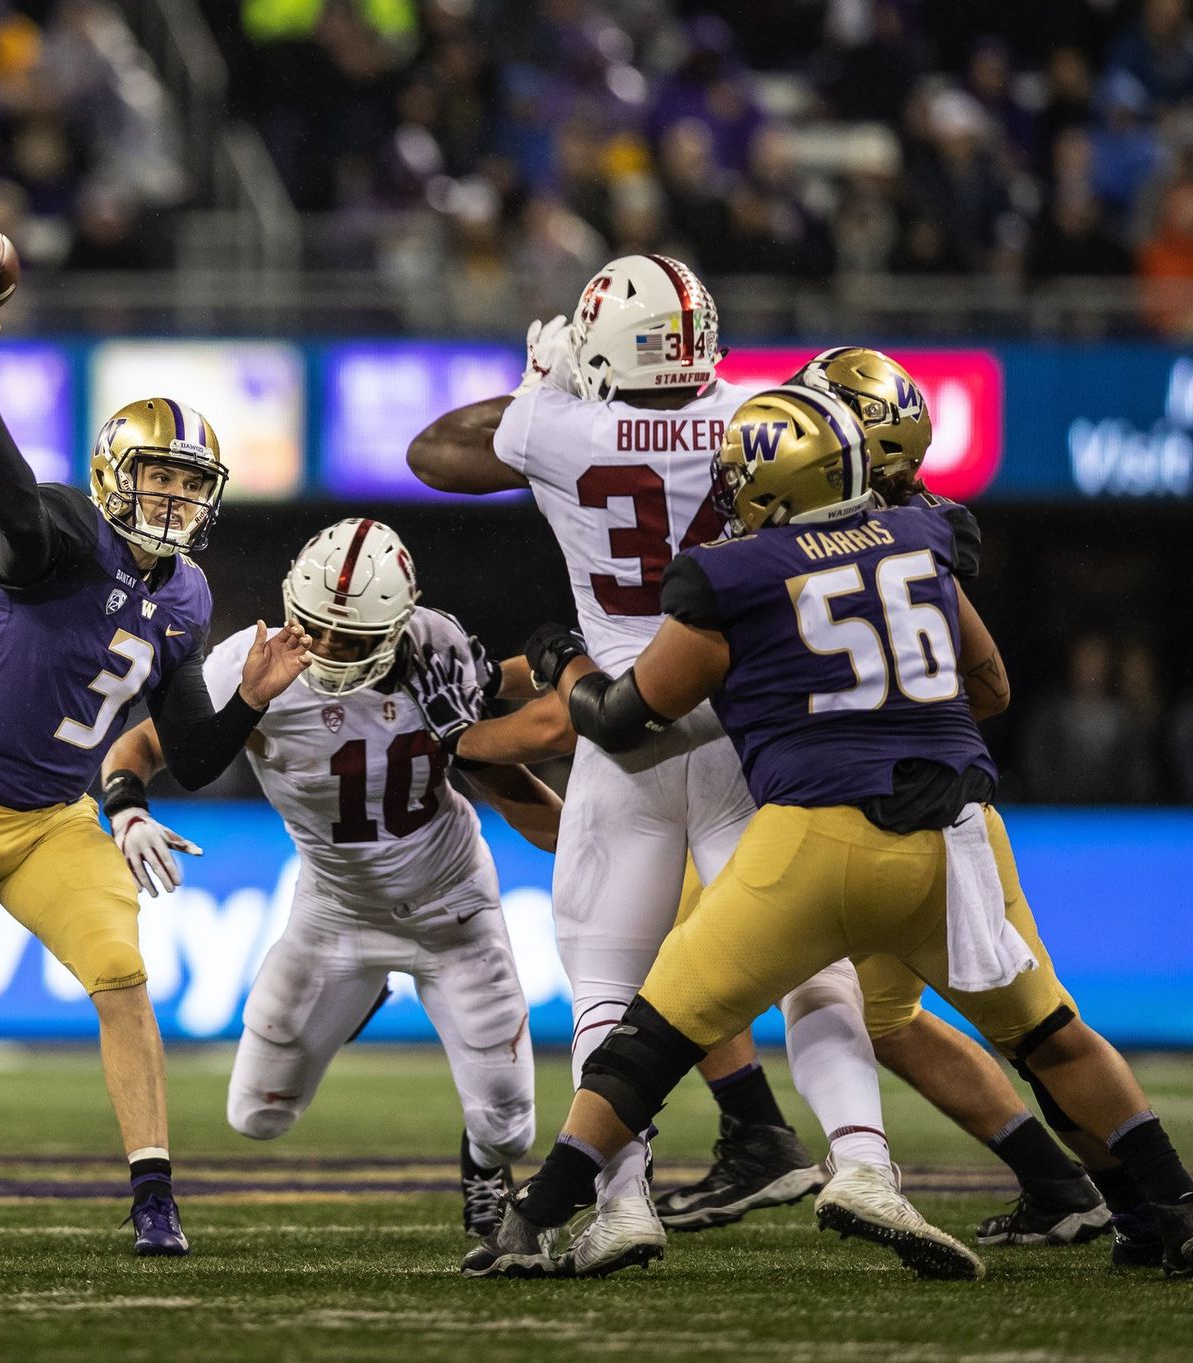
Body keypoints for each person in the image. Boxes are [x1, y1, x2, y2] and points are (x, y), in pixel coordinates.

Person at [477, 386, 1193, 1283]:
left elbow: (622, 720)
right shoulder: (926, 535)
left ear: (775, 484)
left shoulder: (734, 574)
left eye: (740, 477)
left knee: (656, 1031)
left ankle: (537, 1214)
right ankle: (1171, 1207)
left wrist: (562, 658)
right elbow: (991, 686)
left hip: (819, 836)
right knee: (1050, 1033)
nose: (728, 491)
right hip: (952, 834)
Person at [407, 255, 889, 1275]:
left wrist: (545, 384)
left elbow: (432, 455)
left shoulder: (554, 424)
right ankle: (862, 1161)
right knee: (809, 962)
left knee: (605, 983)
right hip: (751, 730)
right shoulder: (761, 418)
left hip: (622, 732)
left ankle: (622, 1202)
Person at [0, 303, 311, 1260]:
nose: (172, 499)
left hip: (51, 816)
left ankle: (154, 1194)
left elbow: (195, 758)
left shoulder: (190, 596)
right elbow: (11, 504)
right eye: (158, 478)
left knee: (123, 975)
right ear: (113, 479)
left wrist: (246, 699)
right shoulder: (63, 531)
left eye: (187, 483)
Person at [656, 348, 1116, 1254]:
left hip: (844, 803)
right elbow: (986, 685)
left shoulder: (847, 532)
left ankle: (761, 1137)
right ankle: (1071, 1184)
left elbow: (984, 681)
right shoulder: (914, 525)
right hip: (913, 797)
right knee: (907, 1019)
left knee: (686, 964)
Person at [100, 518, 569, 1238]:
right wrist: (127, 808)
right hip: (335, 909)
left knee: (508, 1130)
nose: (322, 647)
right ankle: (358, 996)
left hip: (453, 908)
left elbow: (499, 771)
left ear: (395, 627)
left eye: (347, 637)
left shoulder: (434, 644)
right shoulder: (250, 663)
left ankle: (481, 1164)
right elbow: (144, 745)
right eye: (313, 626)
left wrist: (587, 845)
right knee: (254, 1114)